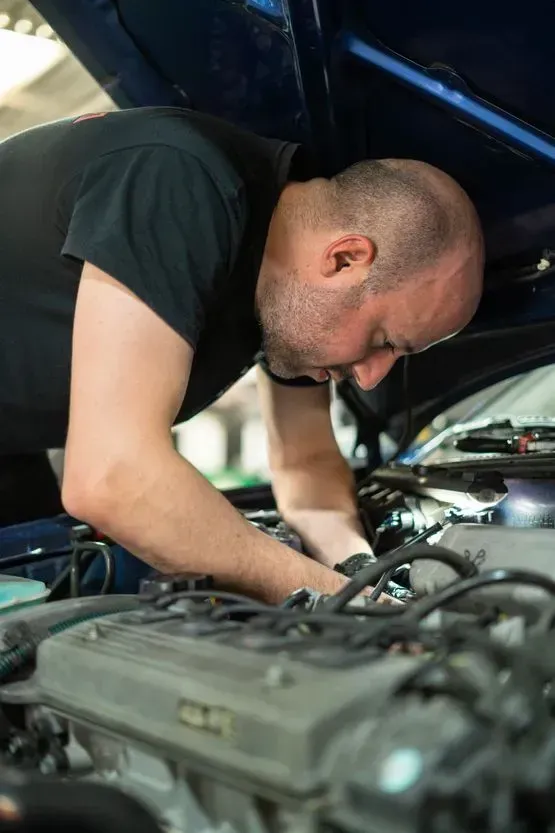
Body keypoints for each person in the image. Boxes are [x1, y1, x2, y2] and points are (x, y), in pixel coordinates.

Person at [0, 106, 484, 602]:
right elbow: (112, 476)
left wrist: (364, 572)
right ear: (344, 259)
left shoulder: (287, 297)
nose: (369, 378)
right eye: (384, 341)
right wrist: (355, 606)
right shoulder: (176, 181)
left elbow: (305, 462)